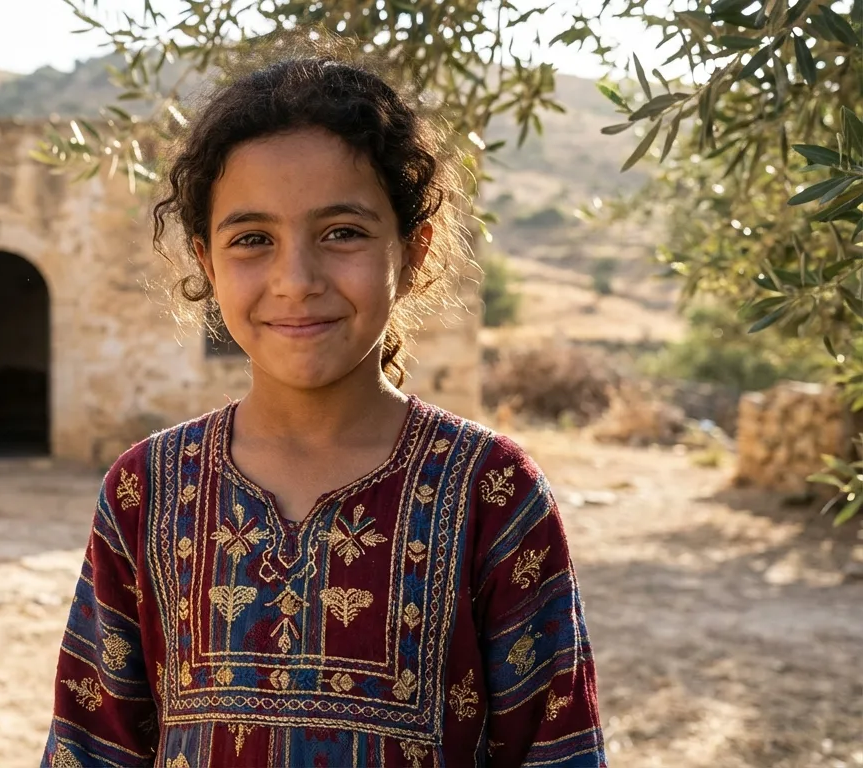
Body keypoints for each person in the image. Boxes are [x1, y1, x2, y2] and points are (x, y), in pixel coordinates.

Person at [41, 52, 605, 767]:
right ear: (207, 264)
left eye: (342, 232)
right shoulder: (144, 490)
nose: (295, 280)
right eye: (252, 240)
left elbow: (559, 750)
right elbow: (91, 748)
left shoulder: (492, 492)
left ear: (415, 250)